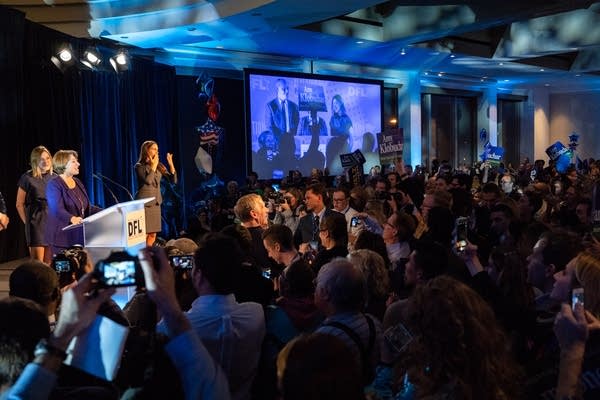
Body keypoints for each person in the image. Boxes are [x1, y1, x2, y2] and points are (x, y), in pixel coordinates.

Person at [44, 150, 101, 257]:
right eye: (74, 161)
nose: (78, 164)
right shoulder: (54, 185)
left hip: (78, 236)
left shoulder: (77, 182)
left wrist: (107, 211)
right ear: (63, 164)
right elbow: (57, 209)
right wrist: (72, 218)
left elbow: (87, 207)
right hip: (61, 237)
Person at [16, 146, 55, 264]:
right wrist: (27, 222)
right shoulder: (27, 177)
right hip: (36, 223)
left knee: (49, 263)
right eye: (41, 159)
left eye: (48, 158)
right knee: (38, 264)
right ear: (35, 161)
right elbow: (19, 204)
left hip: (52, 222)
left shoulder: (55, 177)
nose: (46, 161)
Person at [134, 140, 177, 247]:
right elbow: (148, 181)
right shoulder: (139, 166)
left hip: (156, 203)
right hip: (144, 204)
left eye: (157, 149)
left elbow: (173, 181)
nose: (156, 151)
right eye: (154, 149)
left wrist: (171, 164)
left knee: (153, 234)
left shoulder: (159, 166)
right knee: (144, 233)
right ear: (146, 150)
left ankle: (149, 254)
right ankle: (142, 255)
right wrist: (153, 166)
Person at [265, 78, 299, 142]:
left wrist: (293, 137)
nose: (287, 91)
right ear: (277, 90)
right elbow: (270, 127)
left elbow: (297, 124)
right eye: (283, 89)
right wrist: (279, 141)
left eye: (287, 88)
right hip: (278, 143)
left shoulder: (294, 106)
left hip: (291, 143)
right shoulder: (270, 106)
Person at [326, 94, 353, 172]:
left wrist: (347, 152)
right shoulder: (332, 118)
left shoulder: (347, 119)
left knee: (343, 172)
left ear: (341, 103)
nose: (334, 106)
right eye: (333, 104)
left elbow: (352, 139)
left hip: (343, 147)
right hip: (332, 148)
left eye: (336, 103)